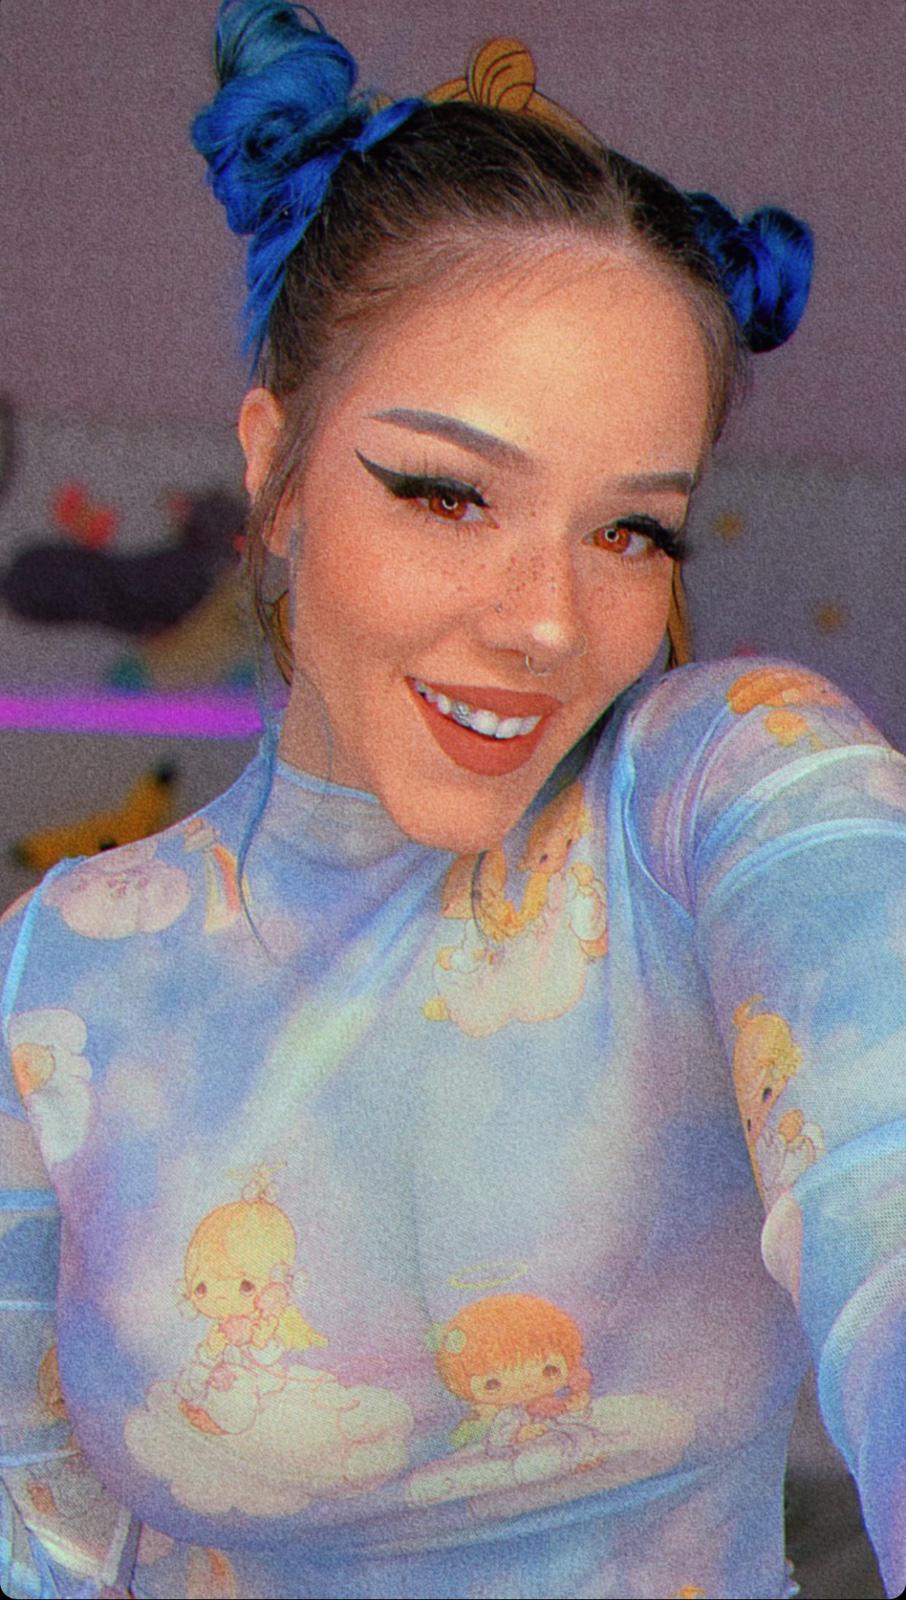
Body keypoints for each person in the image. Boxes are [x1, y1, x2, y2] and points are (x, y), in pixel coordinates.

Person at [1, 3, 903, 1596]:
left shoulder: (726, 794)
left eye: (628, 531)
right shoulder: (54, 983)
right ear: (276, 467)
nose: (547, 622)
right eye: (446, 493)